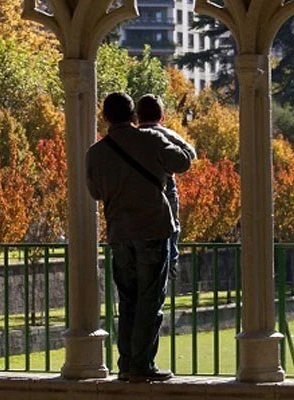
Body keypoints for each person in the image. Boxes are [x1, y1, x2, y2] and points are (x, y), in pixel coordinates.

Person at [86, 92, 195, 383]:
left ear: (106, 116)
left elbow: (95, 192)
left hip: (119, 234)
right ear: (133, 116)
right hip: (153, 230)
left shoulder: (95, 153)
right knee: (150, 300)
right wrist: (164, 132)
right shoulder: (151, 140)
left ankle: (125, 364)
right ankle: (142, 365)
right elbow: (184, 161)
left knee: (128, 299)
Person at [135, 94, 197, 280]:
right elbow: (190, 153)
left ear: (137, 116)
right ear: (161, 118)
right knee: (172, 225)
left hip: (139, 191)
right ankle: (170, 264)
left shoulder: (132, 137)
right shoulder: (165, 134)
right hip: (165, 188)